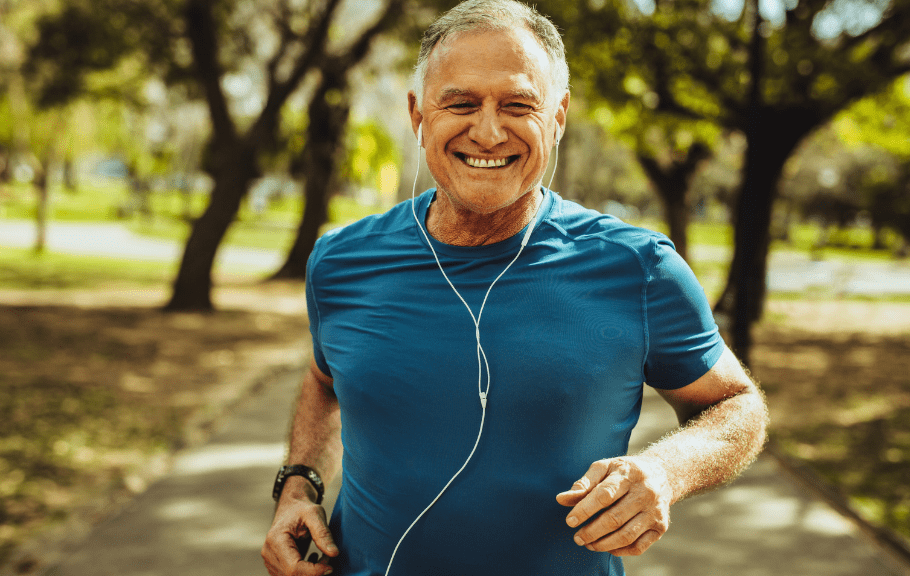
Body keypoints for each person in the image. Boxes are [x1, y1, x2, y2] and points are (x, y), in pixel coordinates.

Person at [262, 1, 768, 575]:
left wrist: (667, 472)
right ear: (417, 114)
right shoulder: (340, 261)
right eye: (460, 103)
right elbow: (325, 379)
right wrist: (298, 488)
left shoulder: (638, 267)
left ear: (558, 116)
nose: (487, 131)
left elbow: (736, 405)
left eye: (518, 105)